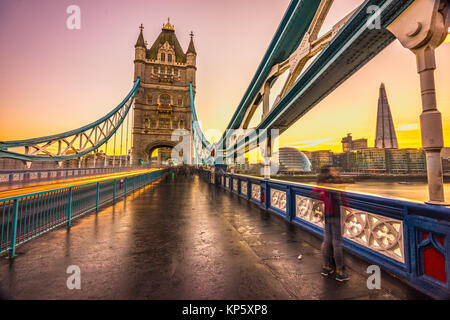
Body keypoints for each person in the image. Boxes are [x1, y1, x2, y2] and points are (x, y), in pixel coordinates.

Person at [311, 166, 349, 282]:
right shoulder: (336, 182)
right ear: (330, 173)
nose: (335, 171)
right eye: (333, 170)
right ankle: (339, 272)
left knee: (327, 240)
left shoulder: (323, 183)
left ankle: (326, 267)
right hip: (337, 214)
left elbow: (313, 193)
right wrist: (347, 208)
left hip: (327, 214)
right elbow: (344, 197)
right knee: (337, 242)